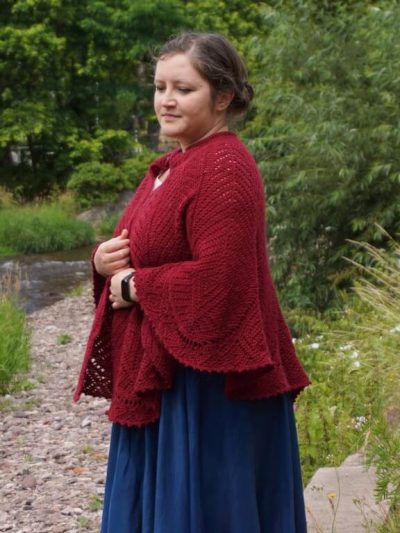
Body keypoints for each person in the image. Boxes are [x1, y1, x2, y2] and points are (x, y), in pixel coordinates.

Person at [74, 32, 310, 533]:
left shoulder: (224, 166)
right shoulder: (173, 164)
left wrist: (137, 286)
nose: (166, 100)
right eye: (160, 87)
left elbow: (221, 278)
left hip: (208, 383)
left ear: (223, 97)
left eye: (184, 88)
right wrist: (103, 259)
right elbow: (144, 246)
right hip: (168, 372)